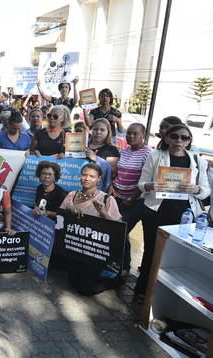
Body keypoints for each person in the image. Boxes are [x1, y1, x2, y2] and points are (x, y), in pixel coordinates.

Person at [134, 124, 210, 299]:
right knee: (151, 251)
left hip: (185, 215)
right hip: (155, 211)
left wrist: (195, 188)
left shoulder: (198, 160)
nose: (179, 141)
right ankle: (142, 290)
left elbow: (206, 191)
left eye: (184, 138)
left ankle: (166, 293)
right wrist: (151, 185)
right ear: (167, 138)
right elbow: (141, 183)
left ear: (190, 141)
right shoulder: (155, 156)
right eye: (175, 136)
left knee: (176, 256)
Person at [59, 162, 123, 296]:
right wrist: (69, 208)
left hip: (94, 251)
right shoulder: (72, 195)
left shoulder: (106, 199)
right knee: (72, 281)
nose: (86, 178)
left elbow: (118, 229)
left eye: (91, 176)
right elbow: (60, 218)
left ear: (99, 179)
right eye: (84, 175)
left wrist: (104, 213)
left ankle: (116, 280)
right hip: (74, 247)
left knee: (85, 289)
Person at [111, 123, 153, 273]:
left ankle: (124, 267)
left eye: (135, 133)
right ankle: (117, 264)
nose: (131, 136)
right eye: (129, 133)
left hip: (136, 201)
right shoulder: (125, 150)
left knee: (121, 230)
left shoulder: (148, 153)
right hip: (117, 197)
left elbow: (146, 179)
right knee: (119, 231)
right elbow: (119, 173)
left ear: (143, 134)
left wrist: (132, 198)